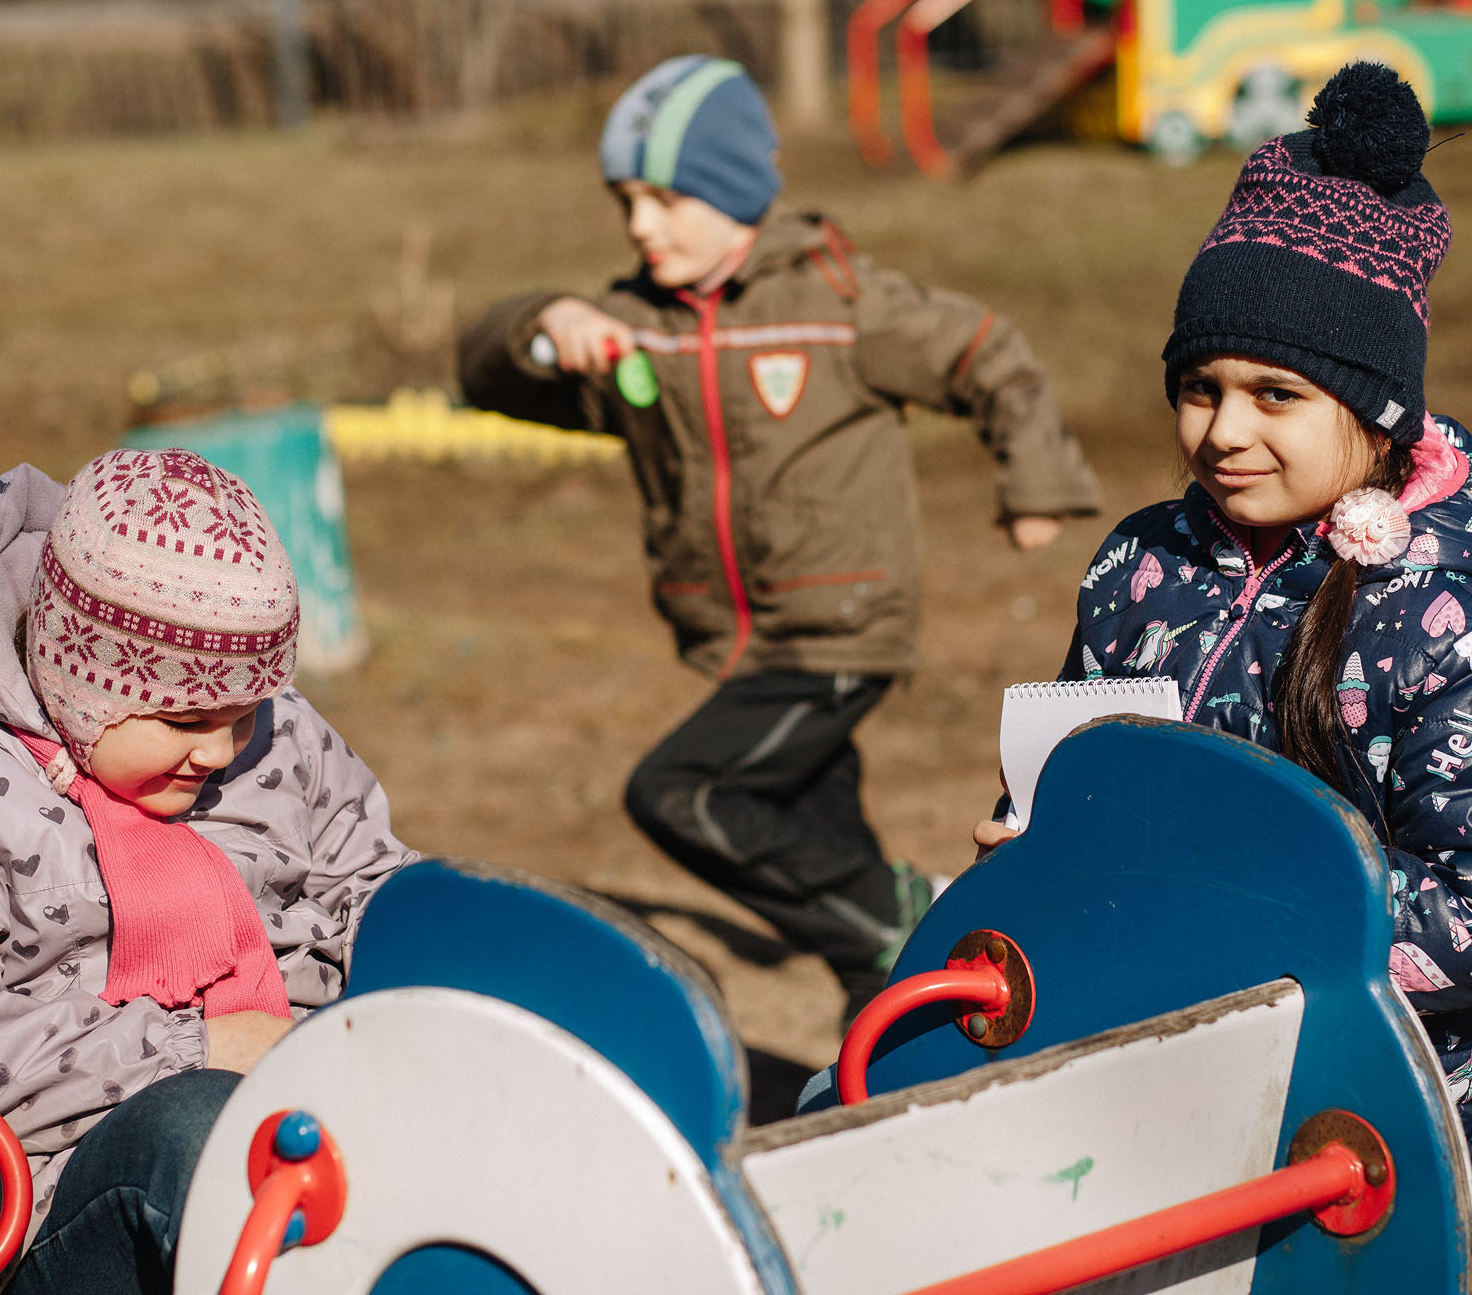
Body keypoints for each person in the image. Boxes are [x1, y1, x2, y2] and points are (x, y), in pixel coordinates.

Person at [978, 63, 1472, 1204]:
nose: (1220, 431)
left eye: (1275, 394)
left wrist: (1237, 908)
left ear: (1378, 411)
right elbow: (1074, 785)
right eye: (1197, 386)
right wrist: (1031, 844)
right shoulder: (1137, 565)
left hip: (1341, 1137)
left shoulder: (1457, 631)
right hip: (1125, 1082)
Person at [457, 55, 1104, 1020]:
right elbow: (483, 373)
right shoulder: (638, 327)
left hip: (839, 625)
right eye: (625, 200)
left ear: (734, 191)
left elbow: (984, 355)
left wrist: (1035, 481)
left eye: (666, 199)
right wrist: (544, 322)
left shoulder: (839, 305)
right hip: (734, 637)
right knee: (812, 829)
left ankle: (901, 913)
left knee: (683, 793)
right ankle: (888, 1003)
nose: (641, 225)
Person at [0, 448, 415, 1292]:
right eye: (184, 717)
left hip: (316, 1122)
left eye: (244, 711)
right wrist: (196, 1049)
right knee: (200, 1129)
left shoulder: (278, 740)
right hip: (40, 1214)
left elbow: (371, 892)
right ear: (79, 680)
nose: (218, 749)